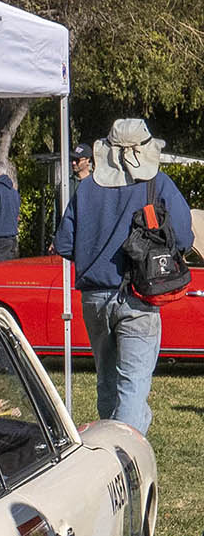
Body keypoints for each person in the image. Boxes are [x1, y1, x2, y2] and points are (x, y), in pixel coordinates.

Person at [54, 117, 192, 435]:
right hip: (139, 294)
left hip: (94, 297)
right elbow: (184, 238)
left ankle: (109, 450)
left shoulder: (87, 187)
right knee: (133, 385)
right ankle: (124, 459)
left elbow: (63, 243)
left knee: (107, 382)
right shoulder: (158, 184)